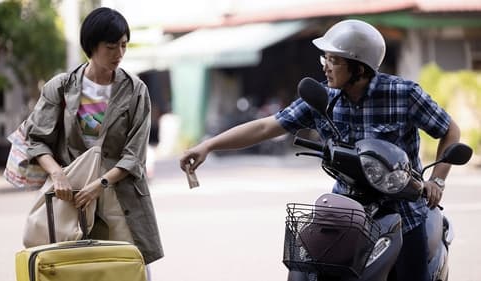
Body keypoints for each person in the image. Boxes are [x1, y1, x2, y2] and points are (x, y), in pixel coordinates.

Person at [180, 19, 460, 281]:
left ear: (359, 68)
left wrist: (437, 179)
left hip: (403, 210)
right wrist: (208, 145)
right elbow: (266, 128)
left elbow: (449, 130)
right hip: (346, 210)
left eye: (333, 60)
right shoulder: (323, 99)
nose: (325, 66)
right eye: (325, 58)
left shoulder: (402, 93)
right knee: (306, 270)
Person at [24, 7, 163, 277]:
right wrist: (58, 174)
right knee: (76, 270)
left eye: (124, 45)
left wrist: (100, 185)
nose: (119, 54)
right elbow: (37, 140)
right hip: (72, 194)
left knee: (129, 268)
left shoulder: (136, 91)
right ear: (91, 46)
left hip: (118, 193)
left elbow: (135, 156)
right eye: (111, 47)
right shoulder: (61, 87)